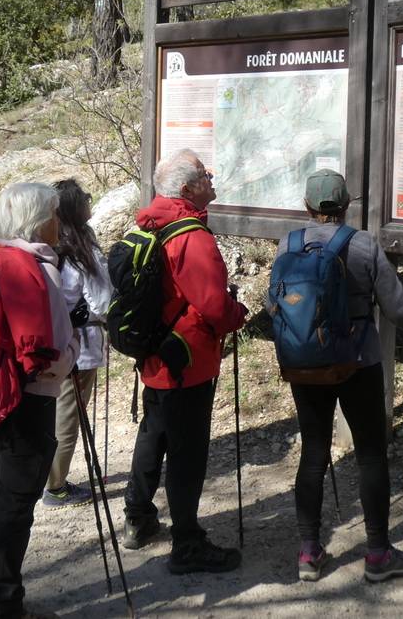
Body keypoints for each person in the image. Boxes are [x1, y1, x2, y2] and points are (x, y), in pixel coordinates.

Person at [271, 168, 403, 584]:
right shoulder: (363, 245)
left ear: (306, 206)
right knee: (370, 455)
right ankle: (378, 555)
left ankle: (309, 553)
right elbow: (397, 309)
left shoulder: (286, 245)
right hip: (357, 362)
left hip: (304, 365)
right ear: (346, 206)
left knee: (313, 452)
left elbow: (275, 305)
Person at [0, 181, 80, 619]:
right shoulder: (35, 268)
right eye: (55, 215)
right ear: (40, 221)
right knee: (17, 501)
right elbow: (53, 356)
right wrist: (75, 346)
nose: (58, 223)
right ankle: (7, 603)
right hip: (28, 399)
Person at [122, 148, 248, 574]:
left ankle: (138, 519)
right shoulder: (190, 236)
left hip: (157, 357)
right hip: (187, 361)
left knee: (153, 436)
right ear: (188, 188)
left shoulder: (153, 225)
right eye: (205, 175)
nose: (211, 179)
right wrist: (238, 315)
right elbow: (213, 305)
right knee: (187, 454)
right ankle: (187, 544)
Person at [41, 178, 112, 508]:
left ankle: (52, 478)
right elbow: (99, 301)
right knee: (68, 417)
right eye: (84, 197)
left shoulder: (54, 243)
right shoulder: (78, 249)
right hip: (78, 347)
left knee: (61, 413)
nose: (88, 200)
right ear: (74, 207)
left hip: (59, 343)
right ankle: (55, 486)